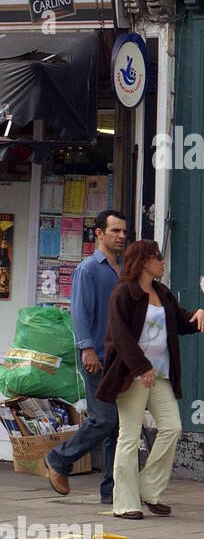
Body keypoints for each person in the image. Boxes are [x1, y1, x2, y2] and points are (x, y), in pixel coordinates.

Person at [97, 240, 204, 519]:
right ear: (144, 261)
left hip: (160, 375)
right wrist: (140, 366)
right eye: (158, 258)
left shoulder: (162, 292)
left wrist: (198, 314)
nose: (162, 262)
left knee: (172, 427)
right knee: (129, 437)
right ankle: (125, 503)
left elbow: (181, 322)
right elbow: (119, 336)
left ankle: (149, 489)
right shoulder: (124, 293)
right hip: (132, 375)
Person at [45, 208, 128, 502]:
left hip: (120, 359)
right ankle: (59, 459)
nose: (121, 236)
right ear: (99, 234)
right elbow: (79, 311)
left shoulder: (121, 268)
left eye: (123, 231)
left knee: (117, 426)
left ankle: (111, 490)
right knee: (104, 419)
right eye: (115, 231)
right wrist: (87, 348)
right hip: (98, 356)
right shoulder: (88, 269)